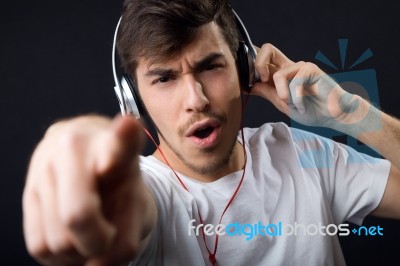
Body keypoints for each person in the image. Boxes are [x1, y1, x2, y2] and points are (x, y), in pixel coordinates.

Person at [22, 0, 400, 265]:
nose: (196, 99)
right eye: (165, 78)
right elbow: (129, 216)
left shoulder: (302, 155)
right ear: (132, 101)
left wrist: (351, 114)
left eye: (209, 67)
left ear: (244, 70)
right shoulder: (143, 190)